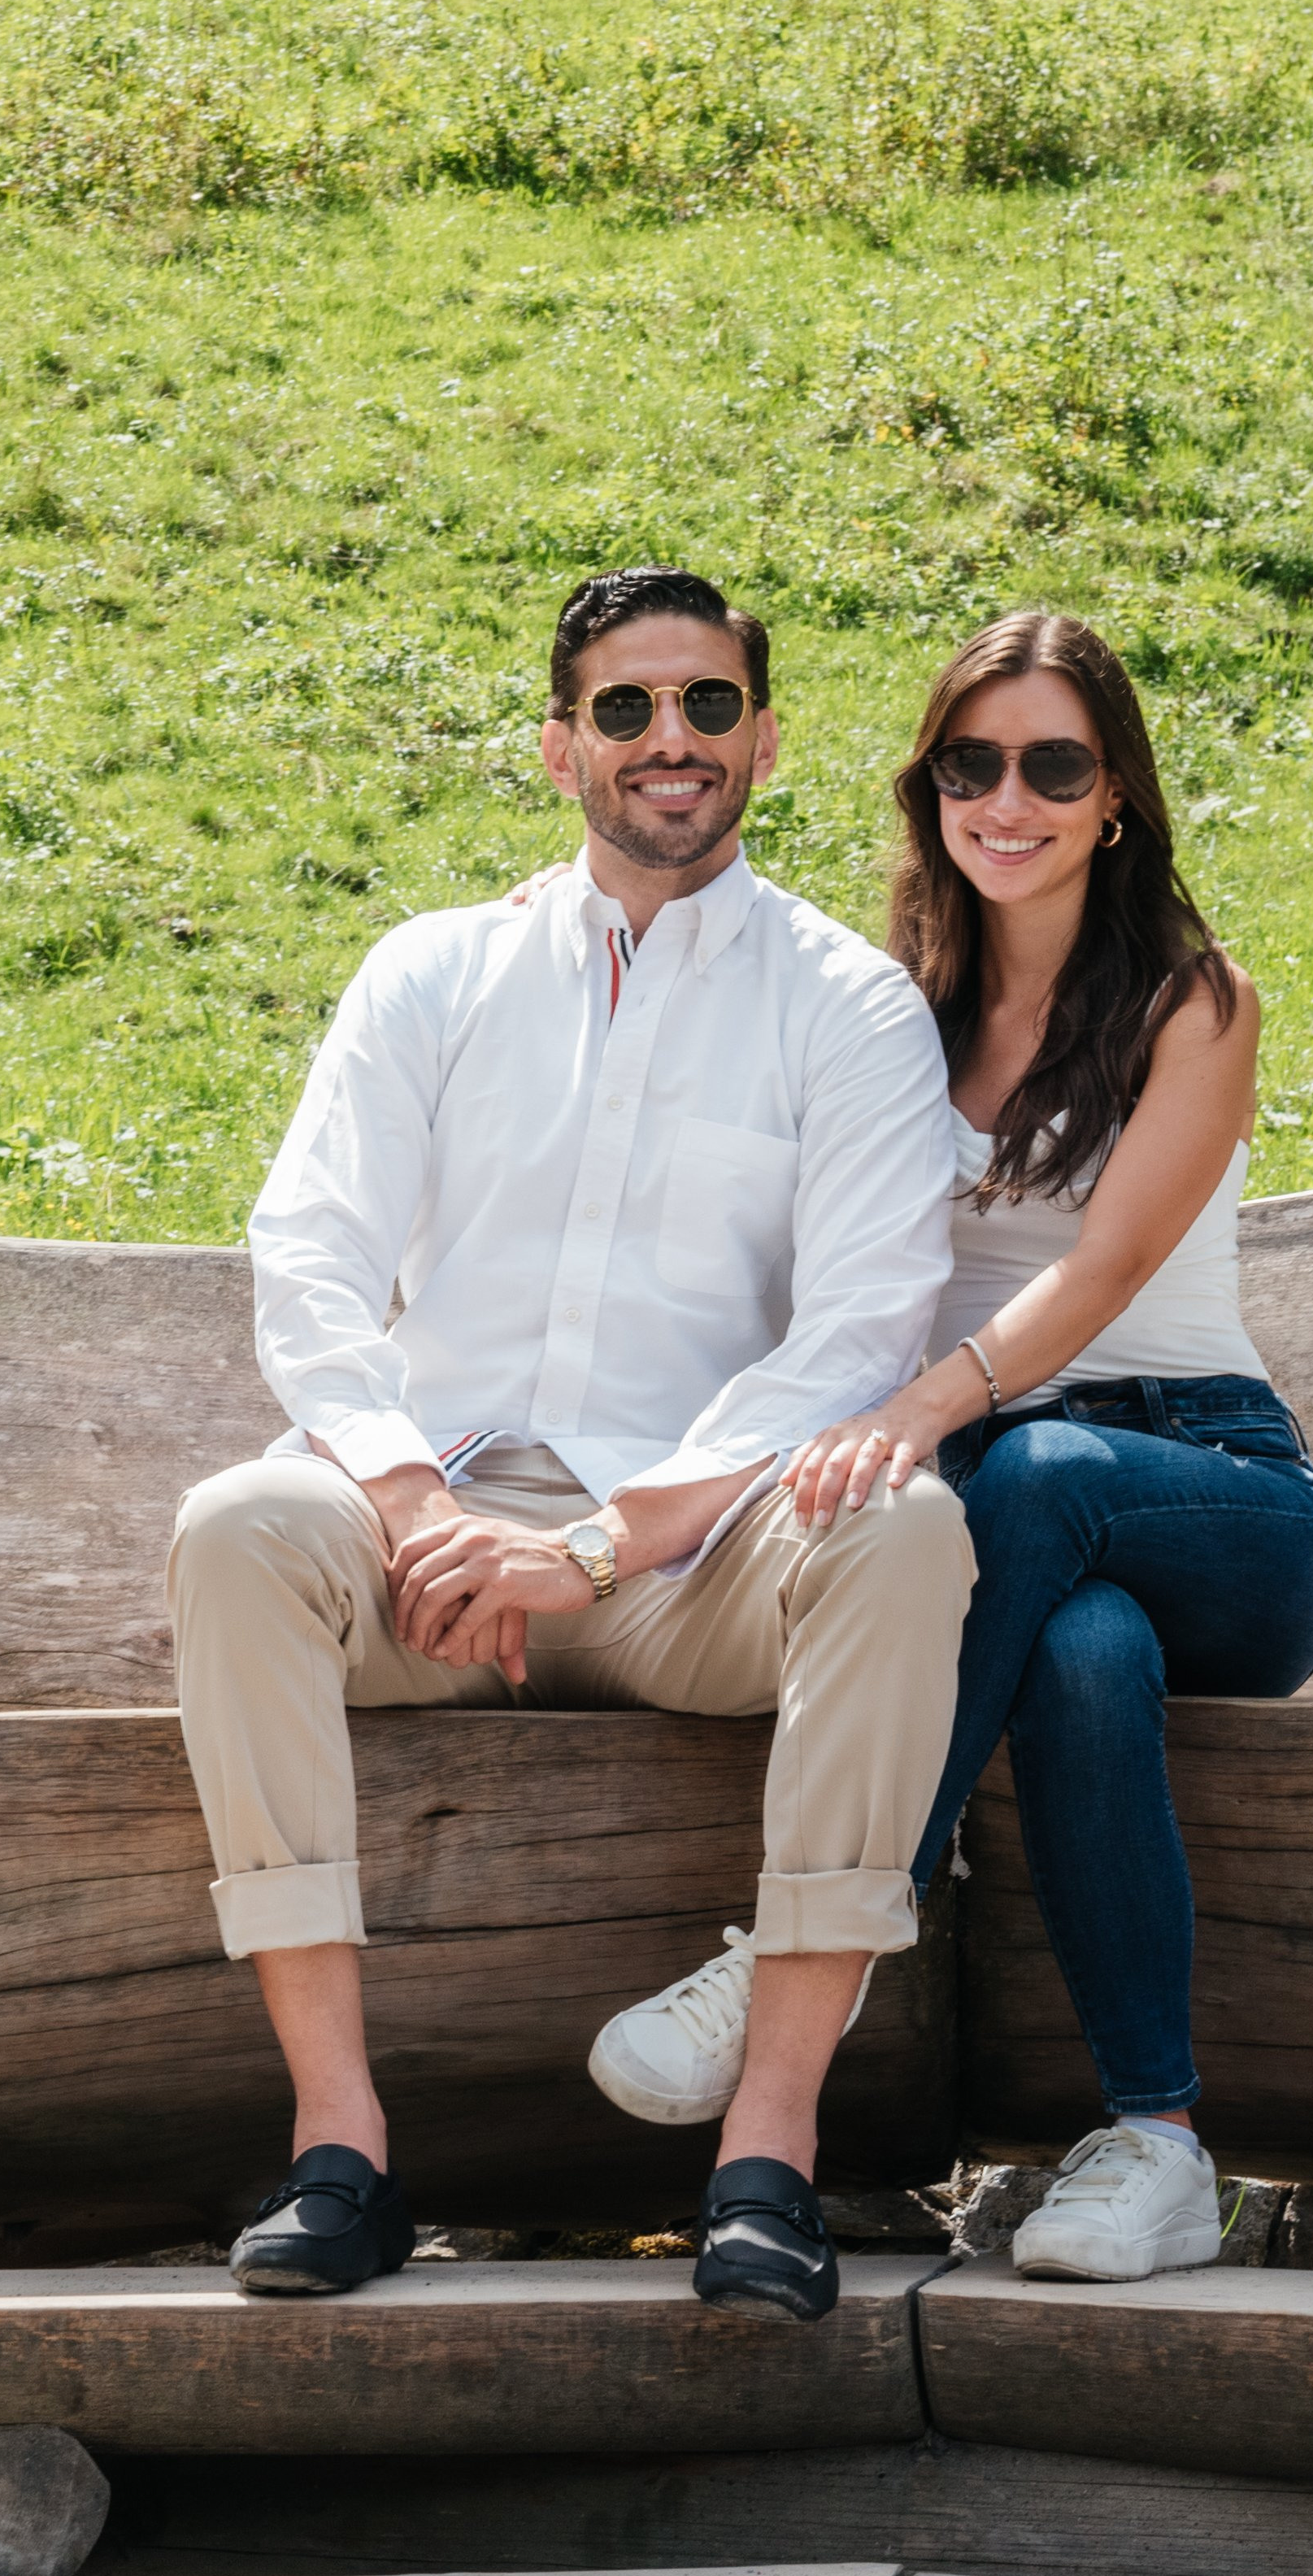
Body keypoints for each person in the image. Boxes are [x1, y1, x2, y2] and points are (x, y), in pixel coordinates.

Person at [167, 564, 973, 2325]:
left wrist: (600, 1543)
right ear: (558, 748)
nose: (667, 740)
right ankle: (341, 2150)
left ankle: (763, 2155)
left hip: (688, 1567)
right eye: (625, 707)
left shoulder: (844, 1005)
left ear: (760, 737)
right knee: (236, 1524)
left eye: (704, 705)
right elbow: (307, 1255)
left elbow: (855, 1330)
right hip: (429, 1540)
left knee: (907, 1535)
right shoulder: (432, 972)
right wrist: (405, 1493)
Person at [786, 611, 1313, 2285]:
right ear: (929, 787)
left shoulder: (1192, 999)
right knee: (1081, 1648)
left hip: (1216, 1493)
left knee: (1037, 1481)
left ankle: (828, 1919)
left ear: (1113, 795)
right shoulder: (885, 1010)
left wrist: (912, 1413)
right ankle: (1159, 2143)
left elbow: (1102, 1276)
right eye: (972, 762)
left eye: (1052, 762)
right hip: (1017, 1525)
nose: (1007, 796)